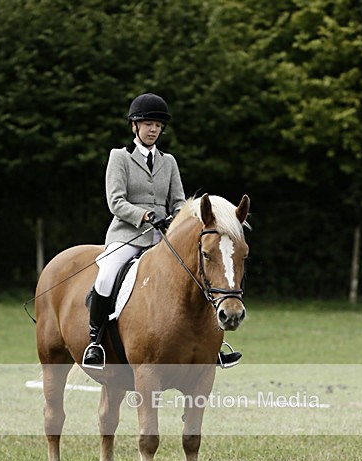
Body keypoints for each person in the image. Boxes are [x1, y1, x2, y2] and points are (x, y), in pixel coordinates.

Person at [83, 92, 242, 369]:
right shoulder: (119, 157)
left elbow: (181, 201)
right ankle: (95, 341)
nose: (153, 129)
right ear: (135, 125)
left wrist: (176, 220)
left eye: (157, 125)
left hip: (164, 239)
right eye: (147, 124)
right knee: (107, 274)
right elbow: (116, 201)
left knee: (199, 280)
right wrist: (144, 215)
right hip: (128, 236)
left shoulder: (169, 162)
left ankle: (211, 347)